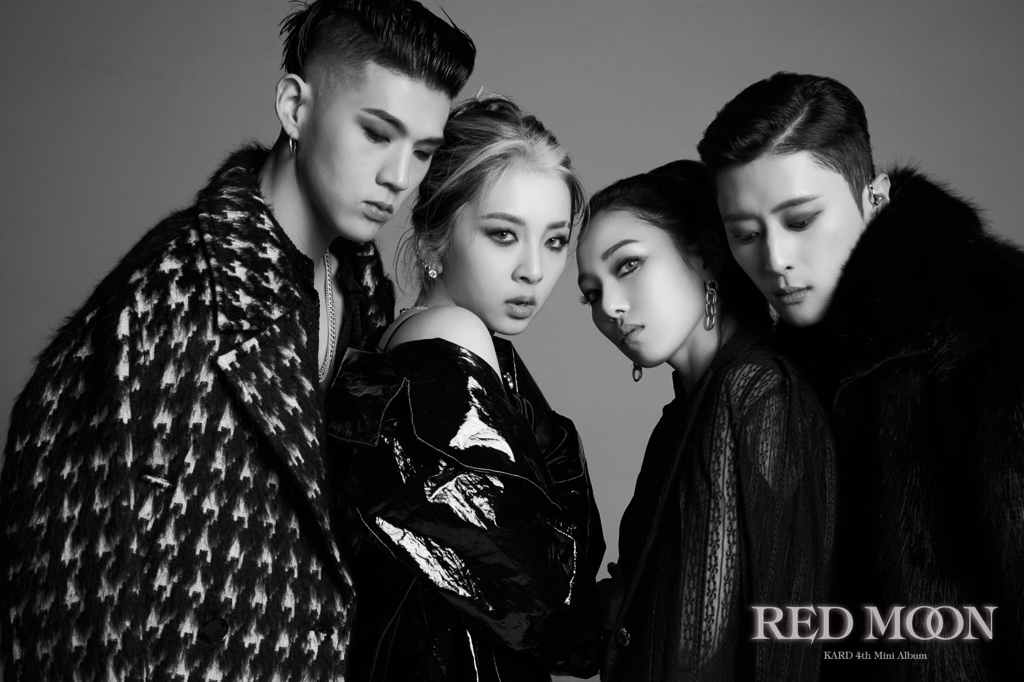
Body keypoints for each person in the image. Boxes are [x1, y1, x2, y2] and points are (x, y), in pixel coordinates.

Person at [0, 1, 475, 679]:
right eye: (376, 133)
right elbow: (67, 612)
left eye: (422, 151)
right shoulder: (163, 302)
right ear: (294, 108)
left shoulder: (367, 296)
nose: (399, 176)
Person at [698, 71, 1024, 680]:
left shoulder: (992, 327)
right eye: (745, 234)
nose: (775, 260)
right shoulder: (774, 371)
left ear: (875, 198)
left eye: (800, 221)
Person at [327, 93, 604, 681]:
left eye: (555, 241)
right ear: (433, 239)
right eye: (503, 234)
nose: (534, 269)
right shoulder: (451, 337)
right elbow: (536, 592)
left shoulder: (405, 338)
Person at [576, 160, 835, 681]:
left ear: (704, 255)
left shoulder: (758, 394)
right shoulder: (683, 416)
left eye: (627, 265)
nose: (611, 308)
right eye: (592, 293)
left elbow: (784, 640)